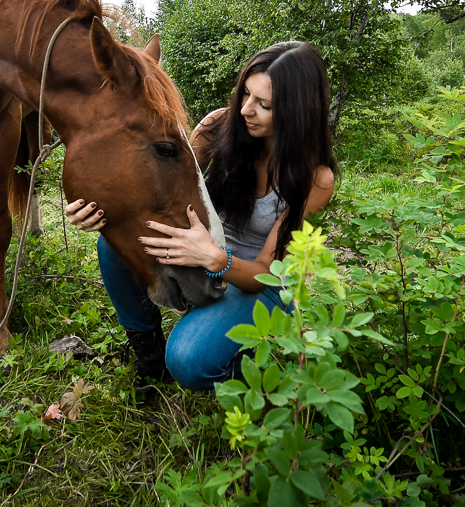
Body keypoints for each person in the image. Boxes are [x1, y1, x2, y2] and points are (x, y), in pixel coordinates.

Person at [65, 41, 338, 390]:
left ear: (298, 112)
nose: (245, 110)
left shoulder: (314, 179)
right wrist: (98, 210)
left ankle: (251, 367)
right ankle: (148, 357)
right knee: (113, 244)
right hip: (205, 252)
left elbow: (269, 273)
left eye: (264, 105)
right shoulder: (218, 128)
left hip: (258, 283)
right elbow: (164, 184)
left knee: (189, 359)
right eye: (245, 95)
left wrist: (214, 259)